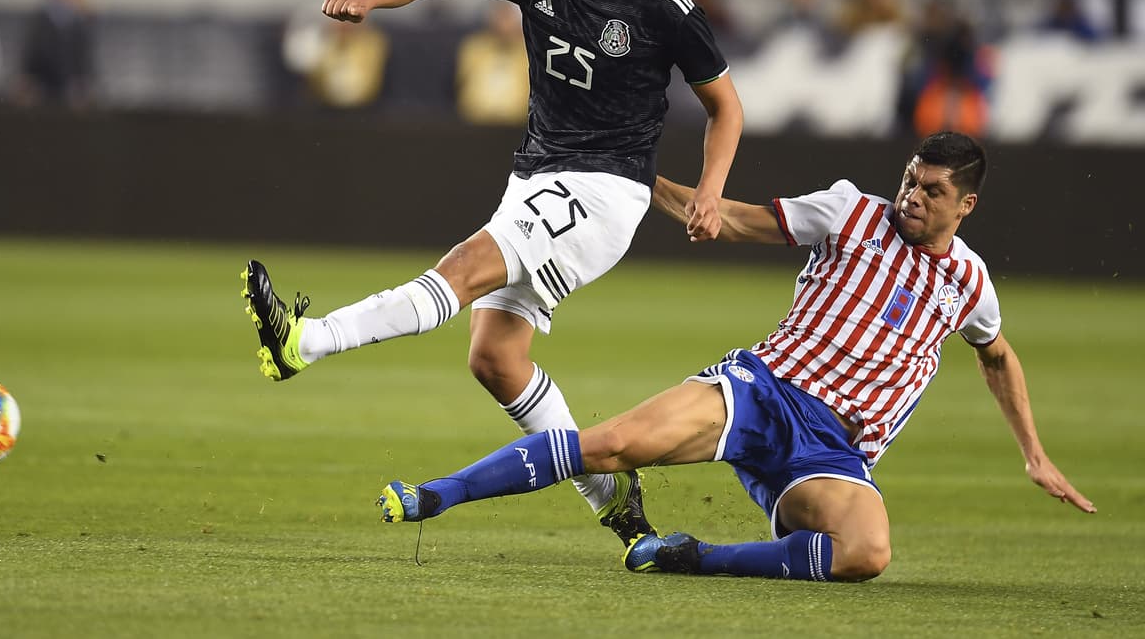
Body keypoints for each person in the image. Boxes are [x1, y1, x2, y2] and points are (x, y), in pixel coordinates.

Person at [241, 0, 742, 548]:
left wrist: (710, 193)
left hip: (606, 189)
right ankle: (618, 506)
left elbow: (726, 107)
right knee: (495, 359)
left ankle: (305, 341)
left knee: (465, 266)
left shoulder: (663, 6)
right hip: (536, 175)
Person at [376, 132, 1095, 582]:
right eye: (910, 178)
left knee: (865, 552)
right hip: (761, 390)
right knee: (615, 443)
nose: (912, 195)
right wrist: (640, 179)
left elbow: (997, 356)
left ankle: (692, 556)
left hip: (833, 453)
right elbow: (739, 219)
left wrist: (1033, 452)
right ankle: (435, 494)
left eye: (932, 191)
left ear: (965, 205)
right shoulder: (850, 211)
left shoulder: (971, 283)